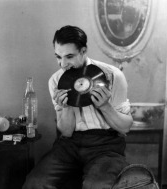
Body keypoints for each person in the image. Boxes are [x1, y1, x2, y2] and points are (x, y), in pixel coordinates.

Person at [22, 25, 133, 189]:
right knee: (35, 184)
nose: (63, 64)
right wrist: (67, 107)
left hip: (105, 147)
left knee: (96, 186)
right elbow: (66, 132)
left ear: (83, 51)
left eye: (69, 56)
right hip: (68, 146)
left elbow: (125, 127)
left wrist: (105, 106)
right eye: (58, 57)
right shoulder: (55, 81)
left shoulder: (113, 75)